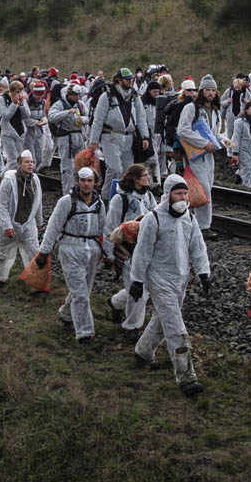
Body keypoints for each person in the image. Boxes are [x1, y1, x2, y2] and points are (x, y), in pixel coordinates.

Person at [129, 173, 210, 395]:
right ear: (168, 195)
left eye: (185, 193)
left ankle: (143, 351)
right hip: (159, 278)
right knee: (176, 327)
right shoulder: (153, 219)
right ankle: (186, 376)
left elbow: (198, 248)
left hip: (180, 279)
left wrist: (203, 272)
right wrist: (137, 279)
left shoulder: (189, 219)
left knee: (163, 317)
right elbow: (142, 252)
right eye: (178, 193)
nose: (183, 197)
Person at [36, 166, 110, 345]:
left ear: (95, 183)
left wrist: (108, 253)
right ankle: (85, 333)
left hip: (92, 250)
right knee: (81, 294)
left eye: (90, 181)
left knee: (83, 290)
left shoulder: (99, 204)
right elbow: (53, 226)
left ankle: (66, 314)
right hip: (70, 248)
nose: (86, 184)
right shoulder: (66, 202)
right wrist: (44, 251)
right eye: (83, 180)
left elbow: (104, 228)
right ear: (77, 181)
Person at [105, 164, 156, 340]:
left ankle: (115, 302)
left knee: (140, 289)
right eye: (144, 175)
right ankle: (131, 327)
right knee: (138, 290)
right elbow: (110, 227)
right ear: (135, 179)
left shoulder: (148, 196)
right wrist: (109, 254)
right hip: (127, 251)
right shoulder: (120, 200)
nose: (148, 177)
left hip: (145, 249)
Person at [88, 69, 152, 200]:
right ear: (119, 80)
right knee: (115, 169)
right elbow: (98, 119)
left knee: (128, 171)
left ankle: (124, 197)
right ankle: (106, 198)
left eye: (131, 79)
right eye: (127, 79)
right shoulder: (107, 97)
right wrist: (93, 141)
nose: (130, 82)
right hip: (110, 135)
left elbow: (141, 117)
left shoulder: (135, 97)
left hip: (129, 136)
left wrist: (145, 136)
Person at [0, 150, 44, 291]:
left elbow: (38, 202)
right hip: (11, 222)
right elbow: (1, 205)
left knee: (34, 252)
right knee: (4, 252)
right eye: (27, 162)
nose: (30, 164)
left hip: (28, 223)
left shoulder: (35, 180)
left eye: (32, 162)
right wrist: (7, 225)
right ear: (19, 164)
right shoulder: (8, 180)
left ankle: (35, 282)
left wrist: (39, 222)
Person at [176, 75, 222, 231]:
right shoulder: (191, 108)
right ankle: (203, 227)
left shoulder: (215, 111)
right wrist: (203, 143)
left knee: (204, 186)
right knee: (203, 188)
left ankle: (188, 219)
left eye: (213, 90)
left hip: (209, 155)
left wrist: (225, 141)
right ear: (201, 91)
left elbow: (214, 134)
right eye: (207, 90)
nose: (210, 93)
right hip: (195, 154)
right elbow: (183, 130)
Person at [48, 83, 88, 192]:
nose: (77, 97)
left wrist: (83, 120)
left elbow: (88, 116)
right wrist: (66, 112)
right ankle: (67, 192)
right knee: (67, 167)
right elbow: (51, 117)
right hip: (65, 138)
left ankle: (79, 189)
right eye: (75, 95)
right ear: (69, 94)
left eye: (78, 95)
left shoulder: (80, 104)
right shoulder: (60, 104)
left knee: (80, 165)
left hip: (79, 137)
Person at [230, 100, 251, 189]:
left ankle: (241, 180)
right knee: (247, 168)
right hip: (243, 149)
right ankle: (248, 187)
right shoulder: (240, 122)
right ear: (246, 110)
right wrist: (235, 153)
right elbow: (236, 137)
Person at [0, 80, 30, 166]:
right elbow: (6, 116)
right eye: (17, 92)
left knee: (19, 159)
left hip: (20, 131)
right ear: (11, 91)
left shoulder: (22, 98)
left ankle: (12, 177)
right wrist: (14, 103)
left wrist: (22, 105)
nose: (19, 94)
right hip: (8, 132)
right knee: (12, 160)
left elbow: (27, 115)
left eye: (20, 92)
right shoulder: (2, 99)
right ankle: (5, 178)